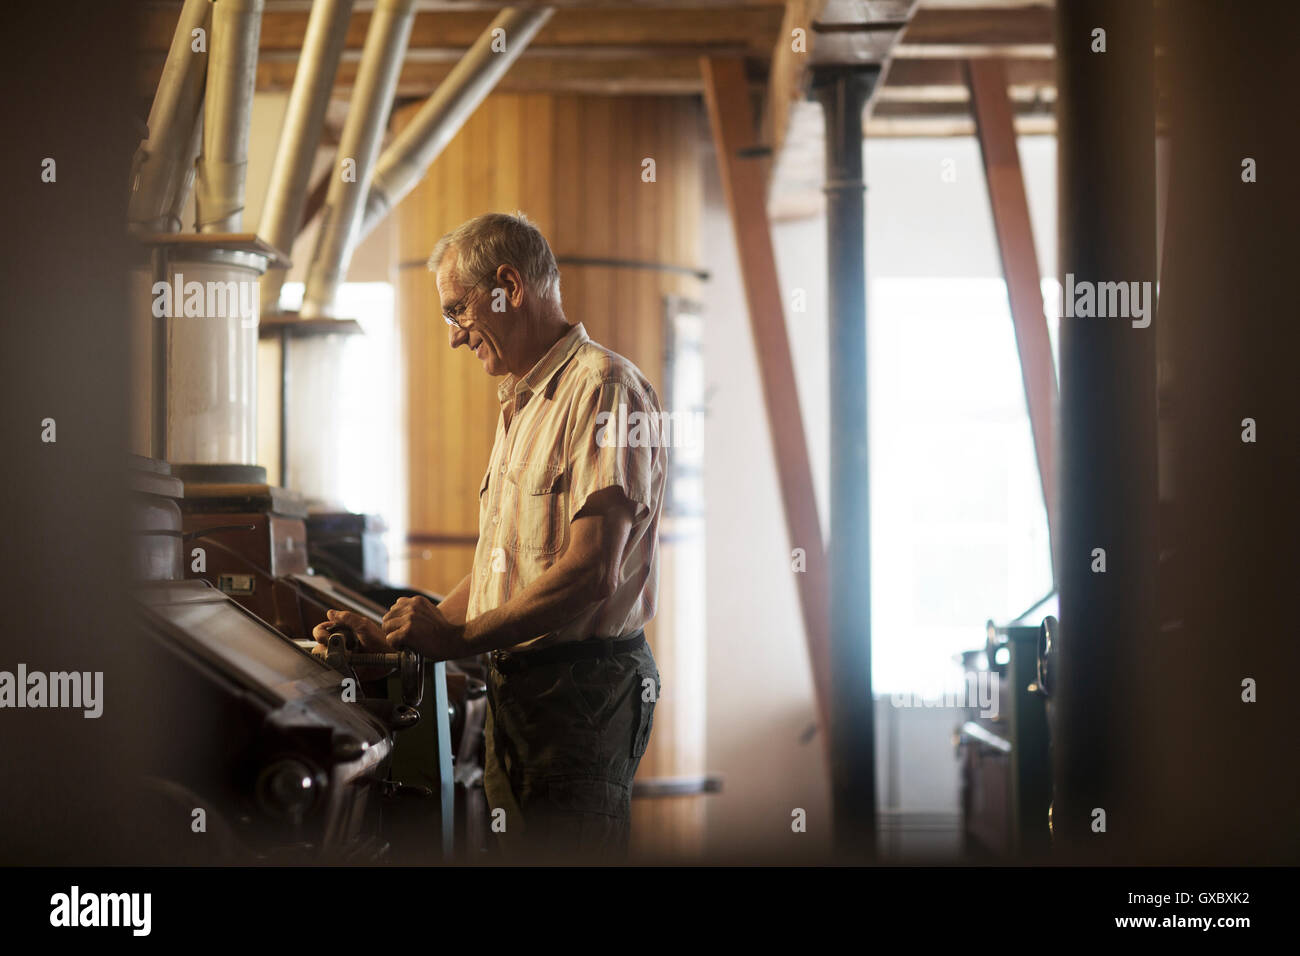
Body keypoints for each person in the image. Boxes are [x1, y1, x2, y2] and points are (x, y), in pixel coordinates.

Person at [315, 212, 665, 860]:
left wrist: (456, 640)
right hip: (524, 691)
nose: (454, 336)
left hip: (578, 696)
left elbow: (593, 572)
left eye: (458, 312)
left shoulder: (602, 388)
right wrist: (399, 639)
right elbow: (507, 566)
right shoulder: (523, 404)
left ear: (508, 285)